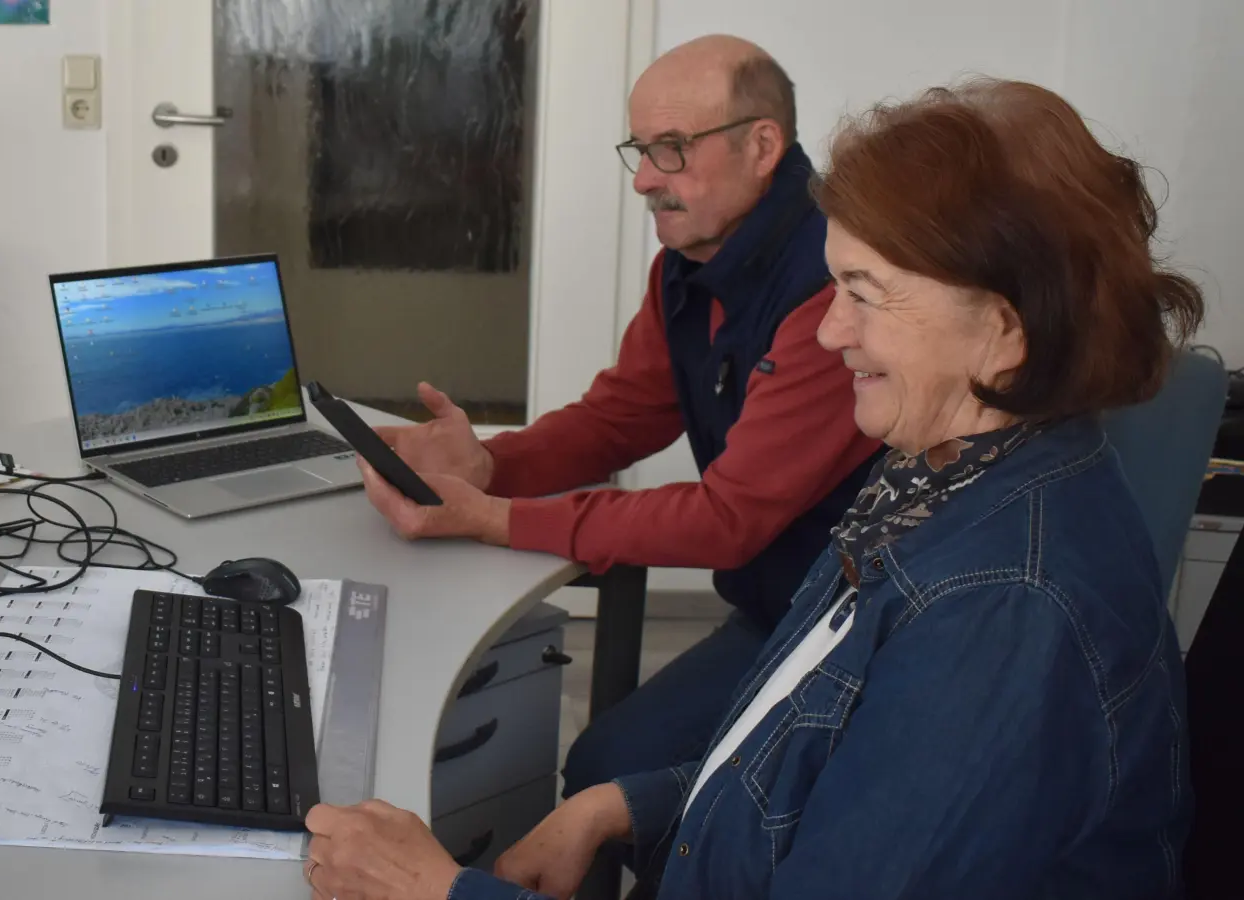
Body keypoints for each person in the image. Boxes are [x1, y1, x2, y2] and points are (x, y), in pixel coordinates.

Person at [302, 77, 1199, 900]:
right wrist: (624, 803)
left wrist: (442, 893)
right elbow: (809, 749)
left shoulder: (1001, 615)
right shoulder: (945, 463)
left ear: (1004, 333)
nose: (828, 331)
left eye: (863, 293)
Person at [357, 34, 882, 797]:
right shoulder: (691, 260)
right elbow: (620, 418)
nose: (643, 180)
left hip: (852, 626)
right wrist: (493, 465)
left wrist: (495, 518)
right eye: (639, 150)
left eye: (672, 149)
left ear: (763, 146)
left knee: (607, 769)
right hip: (777, 604)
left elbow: (725, 519)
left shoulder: (830, 289)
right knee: (610, 762)